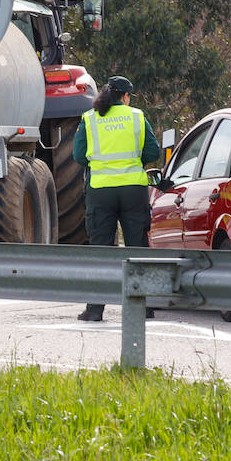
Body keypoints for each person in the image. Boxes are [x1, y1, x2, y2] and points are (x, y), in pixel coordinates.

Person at [73, 75, 161, 322]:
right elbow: (153, 151)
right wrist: (133, 162)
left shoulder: (89, 119)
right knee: (137, 248)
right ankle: (142, 307)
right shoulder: (137, 117)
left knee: (100, 249)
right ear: (125, 96)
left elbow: (79, 155)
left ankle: (94, 310)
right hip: (133, 190)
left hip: (101, 192)